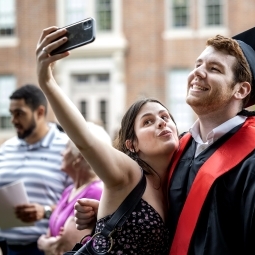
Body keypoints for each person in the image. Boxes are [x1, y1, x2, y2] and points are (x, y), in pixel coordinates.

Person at [74, 24, 255, 254]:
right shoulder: (181, 149)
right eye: (198, 65)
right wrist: (119, 214)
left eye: (214, 69)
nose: (198, 73)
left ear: (241, 90)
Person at [36, 26, 179, 254]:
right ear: (132, 144)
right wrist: (47, 82)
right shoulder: (129, 172)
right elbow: (86, 141)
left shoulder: (175, 181)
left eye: (165, 117)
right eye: (148, 122)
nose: (161, 122)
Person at [0, 84, 71, 255]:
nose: (13, 120)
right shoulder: (4, 150)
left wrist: (46, 211)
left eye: (20, 113)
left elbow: (81, 200)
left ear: (40, 112)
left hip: (48, 248)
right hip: (6, 247)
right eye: (12, 114)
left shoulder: (67, 148)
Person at [37, 122, 110, 255]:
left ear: (80, 157)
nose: (62, 153)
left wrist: (46, 243)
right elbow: (52, 238)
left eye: (66, 148)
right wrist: (46, 243)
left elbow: (68, 246)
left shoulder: (95, 192)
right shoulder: (69, 190)